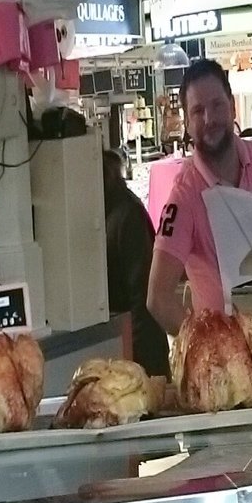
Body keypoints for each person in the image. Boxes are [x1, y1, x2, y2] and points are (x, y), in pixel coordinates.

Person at [147, 58, 252, 334]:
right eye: (198, 111)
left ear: (232, 106)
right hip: (227, 353)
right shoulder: (184, 196)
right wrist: (206, 344)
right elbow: (158, 299)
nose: (209, 119)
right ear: (187, 123)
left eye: (217, 105)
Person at [103, 148, 169, 376]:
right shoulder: (112, 210)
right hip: (126, 352)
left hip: (139, 355)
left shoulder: (125, 214)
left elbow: (142, 301)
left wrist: (140, 368)